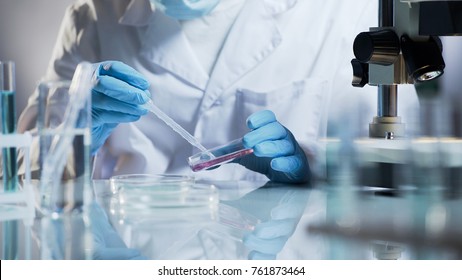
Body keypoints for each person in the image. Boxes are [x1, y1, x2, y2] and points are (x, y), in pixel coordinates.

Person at [18, 0, 387, 184]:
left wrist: (313, 167)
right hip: (133, 249)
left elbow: (387, 168)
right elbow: (24, 173)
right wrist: (77, 137)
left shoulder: (339, 11)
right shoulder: (93, 18)